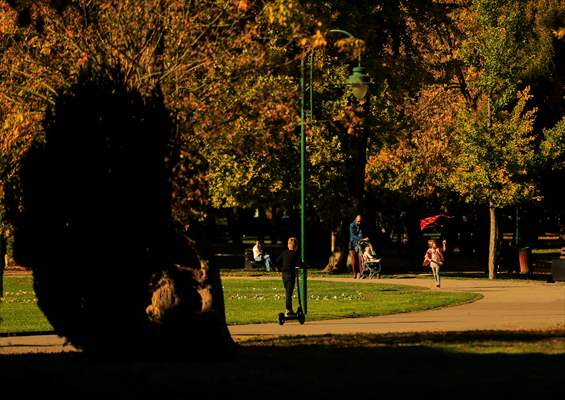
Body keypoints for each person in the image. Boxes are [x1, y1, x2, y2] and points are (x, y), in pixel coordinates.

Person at [275, 237, 301, 316]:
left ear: (288, 245)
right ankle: (288, 309)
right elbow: (299, 263)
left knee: (287, 291)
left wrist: (279, 268)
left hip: (284, 275)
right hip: (291, 275)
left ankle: (290, 309)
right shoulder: (295, 254)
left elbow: (277, 261)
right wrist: (305, 266)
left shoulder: (284, 253)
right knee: (289, 293)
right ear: (296, 246)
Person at [349, 214, 368, 279]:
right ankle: (355, 273)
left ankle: (361, 273)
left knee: (360, 259)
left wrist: (364, 240)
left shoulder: (361, 225)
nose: (359, 223)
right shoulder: (352, 225)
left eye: (360, 221)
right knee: (354, 260)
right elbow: (353, 236)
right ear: (355, 219)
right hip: (352, 244)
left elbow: (361, 234)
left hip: (360, 244)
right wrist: (362, 239)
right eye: (358, 221)